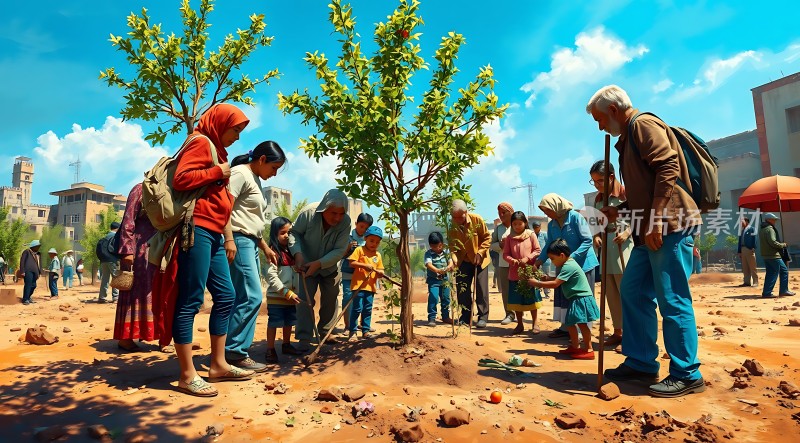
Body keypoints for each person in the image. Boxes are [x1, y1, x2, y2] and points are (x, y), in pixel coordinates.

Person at [587, 84, 705, 397]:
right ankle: (641, 361)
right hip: (647, 229)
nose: (600, 126)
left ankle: (687, 373)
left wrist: (655, 219)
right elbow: (644, 188)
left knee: (672, 297)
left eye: (600, 119)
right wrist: (621, 210)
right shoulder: (626, 139)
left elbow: (668, 167)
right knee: (633, 289)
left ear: (613, 110)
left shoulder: (643, 125)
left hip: (669, 225)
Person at [171, 103, 254, 397]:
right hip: (198, 228)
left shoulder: (218, 151)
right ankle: (186, 374)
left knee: (227, 295)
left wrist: (227, 235)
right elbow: (181, 179)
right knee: (191, 299)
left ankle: (218, 364)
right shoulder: (200, 142)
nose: (237, 136)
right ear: (220, 124)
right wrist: (216, 171)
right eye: (235, 129)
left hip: (216, 231)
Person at [224, 141, 285, 372]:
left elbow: (250, 220)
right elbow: (225, 209)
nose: (275, 173)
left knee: (243, 296)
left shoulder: (255, 179)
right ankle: (235, 352)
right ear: (261, 160)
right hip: (238, 240)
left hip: (249, 241)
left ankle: (233, 350)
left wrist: (264, 247)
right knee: (251, 296)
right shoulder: (240, 174)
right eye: (274, 167)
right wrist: (229, 239)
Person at [289, 189, 352, 351]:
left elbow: (339, 250)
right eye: (333, 213)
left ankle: (326, 332)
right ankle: (304, 337)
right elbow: (294, 233)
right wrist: (298, 254)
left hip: (330, 266)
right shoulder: (308, 214)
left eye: (341, 213)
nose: (337, 218)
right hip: (306, 264)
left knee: (331, 298)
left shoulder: (346, 223)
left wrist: (319, 263)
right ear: (324, 208)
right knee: (305, 300)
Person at [534, 194, 598, 338]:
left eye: (547, 210)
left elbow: (587, 240)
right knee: (564, 295)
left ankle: (582, 331)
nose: (546, 214)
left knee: (580, 298)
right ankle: (566, 327)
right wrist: (540, 260)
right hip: (562, 264)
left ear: (556, 207)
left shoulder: (575, 217)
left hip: (583, 265)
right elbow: (550, 245)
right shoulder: (552, 225)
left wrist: (571, 259)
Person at [528, 239, 600, 360]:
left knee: (582, 324)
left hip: (580, 298)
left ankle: (589, 349)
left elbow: (556, 284)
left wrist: (537, 283)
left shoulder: (568, 266)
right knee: (570, 323)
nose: (552, 262)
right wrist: (546, 278)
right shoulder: (567, 264)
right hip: (576, 298)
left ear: (561, 255)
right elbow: (559, 279)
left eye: (552, 259)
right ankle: (575, 346)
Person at [114, 183, 163, 353]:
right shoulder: (140, 189)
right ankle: (126, 338)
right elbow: (128, 220)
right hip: (139, 249)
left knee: (160, 290)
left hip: (162, 248)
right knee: (135, 290)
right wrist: (127, 250)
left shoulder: (173, 192)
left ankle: (162, 336)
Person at [589, 160, 632, 348]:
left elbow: (639, 217)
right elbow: (595, 223)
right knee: (610, 293)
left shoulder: (625, 194)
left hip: (623, 247)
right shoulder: (598, 199)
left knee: (626, 291)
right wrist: (596, 237)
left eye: (599, 181)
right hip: (606, 248)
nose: (597, 185)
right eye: (594, 182)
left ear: (611, 177)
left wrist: (627, 232)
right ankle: (617, 331)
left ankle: (631, 335)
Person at [264, 217, 303, 363]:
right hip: (277, 296)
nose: (287, 235)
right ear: (274, 234)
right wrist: (285, 291)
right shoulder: (272, 253)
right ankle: (270, 349)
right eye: (282, 232)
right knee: (274, 322)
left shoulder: (293, 253)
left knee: (289, 322)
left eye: (289, 232)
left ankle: (286, 345)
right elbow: (271, 277)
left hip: (291, 296)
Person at [448, 199, 492, 328]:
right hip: (463, 261)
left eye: (459, 217)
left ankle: (483, 317)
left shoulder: (476, 220)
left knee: (481, 289)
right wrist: (453, 258)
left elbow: (487, 237)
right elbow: (452, 245)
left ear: (466, 212)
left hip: (480, 260)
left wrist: (480, 252)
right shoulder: (452, 225)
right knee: (463, 290)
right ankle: (465, 318)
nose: (457, 220)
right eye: (454, 217)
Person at [502, 211, 542, 335]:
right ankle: (520, 324)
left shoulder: (531, 235)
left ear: (525, 223)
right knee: (516, 301)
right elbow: (505, 254)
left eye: (520, 223)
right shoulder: (509, 238)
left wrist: (527, 259)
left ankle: (535, 323)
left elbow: (537, 250)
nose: (517, 226)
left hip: (529, 272)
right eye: (514, 224)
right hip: (515, 273)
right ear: (512, 225)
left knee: (532, 299)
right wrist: (513, 261)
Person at [347, 225, 385, 341]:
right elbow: (351, 263)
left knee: (367, 309)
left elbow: (381, 269)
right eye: (372, 241)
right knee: (357, 309)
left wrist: (380, 273)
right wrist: (364, 266)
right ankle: (353, 332)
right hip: (358, 286)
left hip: (371, 287)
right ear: (365, 239)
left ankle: (366, 331)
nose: (374, 244)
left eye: (377, 242)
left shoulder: (377, 255)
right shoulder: (359, 250)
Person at [340, 213, 373, 334]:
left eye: (366, 228)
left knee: (363, 300)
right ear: (356, 224)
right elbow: (341, 256)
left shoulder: (369, 240)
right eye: (361, 226)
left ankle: (363, 325)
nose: (363, 230)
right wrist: (348, 248)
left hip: (363, 275)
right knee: (348, 298)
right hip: (348, 273)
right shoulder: (347, 238)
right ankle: (348, 326)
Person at [490, 202, 515, 325]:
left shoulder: (519, 225)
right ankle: (509, 314)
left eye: (504, 212)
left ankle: (523, 314)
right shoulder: (498, 229)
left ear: (511, 212)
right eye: (499, 213)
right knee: (506, 290)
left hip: (519, 263)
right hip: (504, 263)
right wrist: (499, 245)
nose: (501, 215)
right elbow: (491, 244)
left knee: (521, 289)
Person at [759, 213, 795, 298]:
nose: (775, 221)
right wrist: (783, 245)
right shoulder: (770, 229)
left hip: (766, 255)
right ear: (769, 220)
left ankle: (767, 292)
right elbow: (773, 242)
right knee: (783, 271)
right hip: (773, 255)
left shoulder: (762, 229)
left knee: (770, 273)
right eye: (774, 219)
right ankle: (782, 291)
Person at [424, 231, 454, 326]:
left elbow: (451, 261)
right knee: (433, 297)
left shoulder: (446, 252)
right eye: (434, 247)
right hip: (433, 280)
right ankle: (432, 318)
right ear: (430, 246)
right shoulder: (428, 254)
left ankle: (445, 316)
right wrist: (437, 270)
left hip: (445, 280)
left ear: (442, 244)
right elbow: (428, 264)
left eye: (439, 246)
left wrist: (449, 266)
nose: (437, 249)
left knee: (446, 298)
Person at [99, 222, 121, 303]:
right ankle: (115, 297)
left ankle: (102, 297)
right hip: (112, 260)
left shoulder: (105, 237)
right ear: (117, 228)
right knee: (115, 278)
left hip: (103, 260)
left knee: (105, 278)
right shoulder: (116, 236)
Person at [531, 221, 551, 297]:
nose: (537, 228)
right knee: (537, 276)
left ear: (540, 226)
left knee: (545, 275)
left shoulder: (544, 235)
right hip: (535, 260)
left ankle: (547, 293)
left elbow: (549, 244)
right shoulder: (532, 235)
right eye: (535, 227)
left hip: (545, 260)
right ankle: (537, 293)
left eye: (538, 227)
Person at [737, 216, 758, 287]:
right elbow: (740, 241)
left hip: (749, 249)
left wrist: (753, 247)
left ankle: (755, 282)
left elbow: (754, 239)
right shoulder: (742, 230)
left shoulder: (752, 229)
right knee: (745, 267)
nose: (741, 223)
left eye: (742, 221)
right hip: (743, 249)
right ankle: (746, 282)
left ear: (746, 221)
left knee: (752, 266)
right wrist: (739, 251)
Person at [20, 240, 42, 305]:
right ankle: (25, 299)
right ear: (33, 246)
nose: (38, 247)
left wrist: (39, 272)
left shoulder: (36, 254)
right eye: (37, 246)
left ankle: (28, 297)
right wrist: (22, 271)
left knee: (34, 285)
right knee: (28, 285)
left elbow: (38, 264)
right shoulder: (27, 252)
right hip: (27, 271)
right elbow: (22, 261)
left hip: (35, 272)